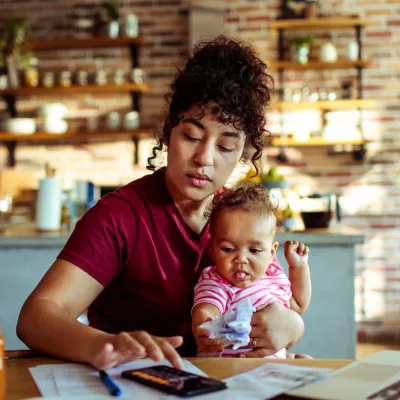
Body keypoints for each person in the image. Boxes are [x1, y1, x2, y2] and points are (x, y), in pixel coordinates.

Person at [17, 35, 305, 371]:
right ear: (169, 131)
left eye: (226, 147)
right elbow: (36, 317)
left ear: (243, 153)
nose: (204, 158)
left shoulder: (240, 218)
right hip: (134, 382)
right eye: (192, 137)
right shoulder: (121, 216)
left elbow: (274, 302)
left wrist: (292, 327)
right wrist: (102, 344)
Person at [191, 183, 311, 358]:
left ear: (271, 253)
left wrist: (298, 267)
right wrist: (204, 324)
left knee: (305, 361)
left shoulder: (273, 276)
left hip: (272, 367)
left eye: (254, 250)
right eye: (228, 249)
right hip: (233, 368)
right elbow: (207, 308)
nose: (241, 259)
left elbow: (298, 305)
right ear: (212, 251)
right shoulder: (217, 281)